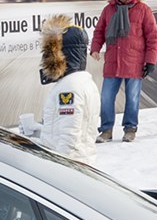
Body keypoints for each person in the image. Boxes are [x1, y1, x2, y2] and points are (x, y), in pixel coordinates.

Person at [19, 15, 100, 161]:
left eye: (49, 54)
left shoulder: (69, 89)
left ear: (61, 55)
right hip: (81, 161)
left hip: (71, 168)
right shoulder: (82, 81)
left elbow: (70, 138)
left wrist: (58, 169)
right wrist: (38, 130)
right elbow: (71, 129)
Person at [90, 0, 157, 143]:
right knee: (106, 97)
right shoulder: (108, 10)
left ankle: (130, 129)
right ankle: (106, 130)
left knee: (133, 98)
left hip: (134, 61)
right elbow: (99, 31)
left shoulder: (143, 10)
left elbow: (153, 37)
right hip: (113, 61)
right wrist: (95, 48)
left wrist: (150, 61)